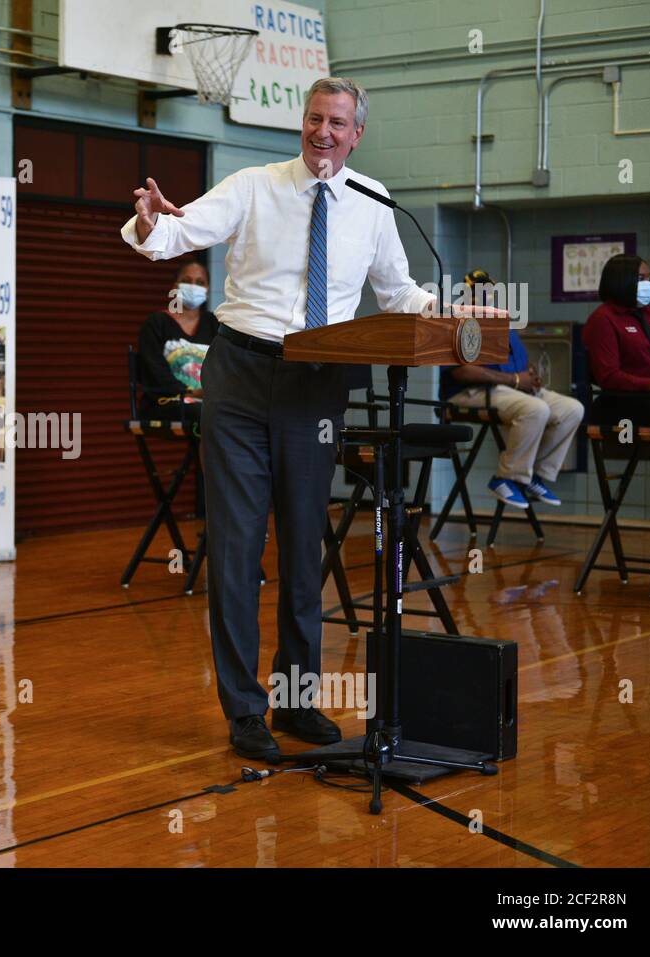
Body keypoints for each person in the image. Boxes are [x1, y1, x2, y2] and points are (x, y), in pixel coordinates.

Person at [121, 77, 500, 760]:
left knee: (303, 551)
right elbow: (173, 232)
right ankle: (244, 710)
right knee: (236, 550)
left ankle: (296, 702)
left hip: (317, 379)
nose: (322, 132)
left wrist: (448, 312)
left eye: (337, 123)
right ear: (303, 125)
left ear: (358, 134)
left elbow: (397, 290)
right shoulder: (254, 184)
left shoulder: (373, 202)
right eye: (313, 119)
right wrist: (151, 218)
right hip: (238, 373)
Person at [442, 268, 584, 508]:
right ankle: (506, 478)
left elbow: (516, 358)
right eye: (476, 291)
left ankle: (533, 475)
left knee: (572, 409)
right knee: (536, 410)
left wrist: (530, 374)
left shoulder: (499, 320)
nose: (484, 296)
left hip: (511, 388)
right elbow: (463, 371)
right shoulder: (456, 322)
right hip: (471, 392)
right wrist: (516, 381)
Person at [583, 254, 650, 456]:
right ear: (621, 281)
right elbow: (609, 377)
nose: (648, 284)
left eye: (649, 278)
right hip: (623, 402)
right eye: (641, 279)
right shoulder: (603, 319)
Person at [136, 259, 219, 425]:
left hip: (206, 402)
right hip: (164, 402)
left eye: (200, 282)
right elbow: (154, 371)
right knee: (207, 414)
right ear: (175, 287)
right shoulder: (157, 324)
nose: (193, 286)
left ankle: (198, 453)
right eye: (186, 281)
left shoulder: (214, 324)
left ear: (208, 290)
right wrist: (191, 393)